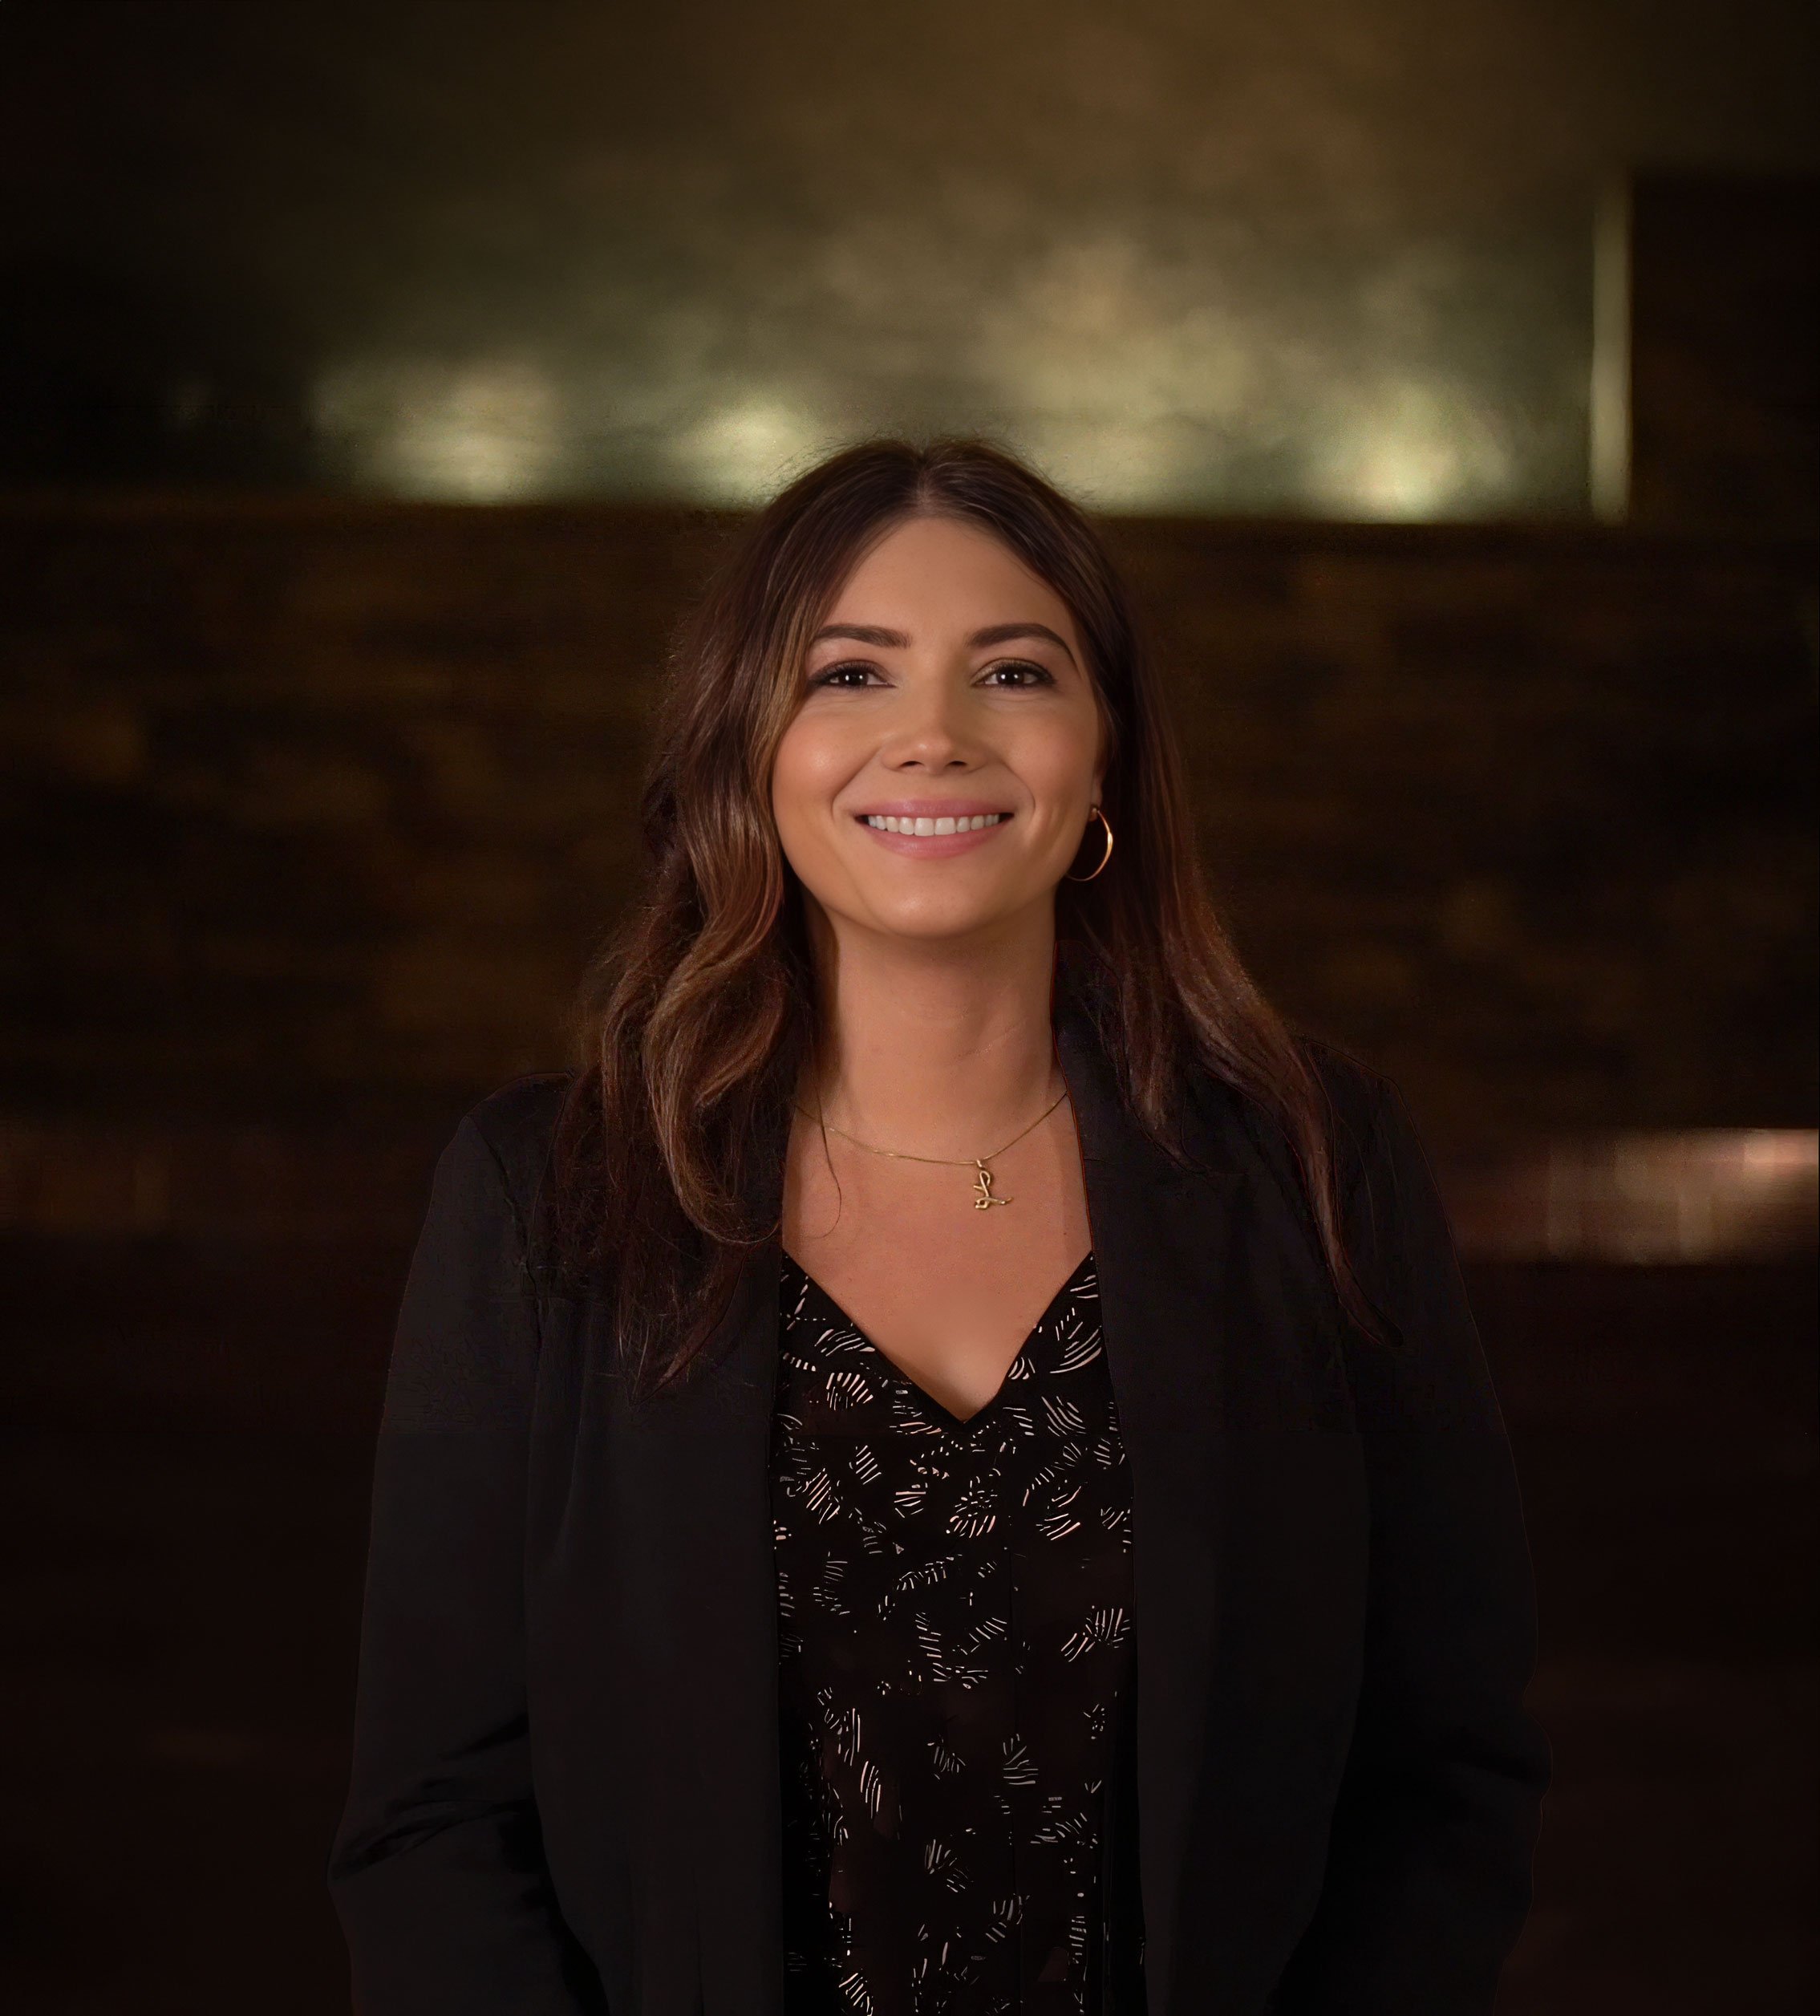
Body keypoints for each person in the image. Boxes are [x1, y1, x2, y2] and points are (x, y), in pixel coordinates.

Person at [326, 440, 1550, 2016]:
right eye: (848, 673)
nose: (933, 737)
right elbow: (433, 1823)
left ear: (1103, 754)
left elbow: (1443, 1769)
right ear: (743, 749)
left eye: (1014, 671)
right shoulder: (551, 1197)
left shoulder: (1310, 1165)